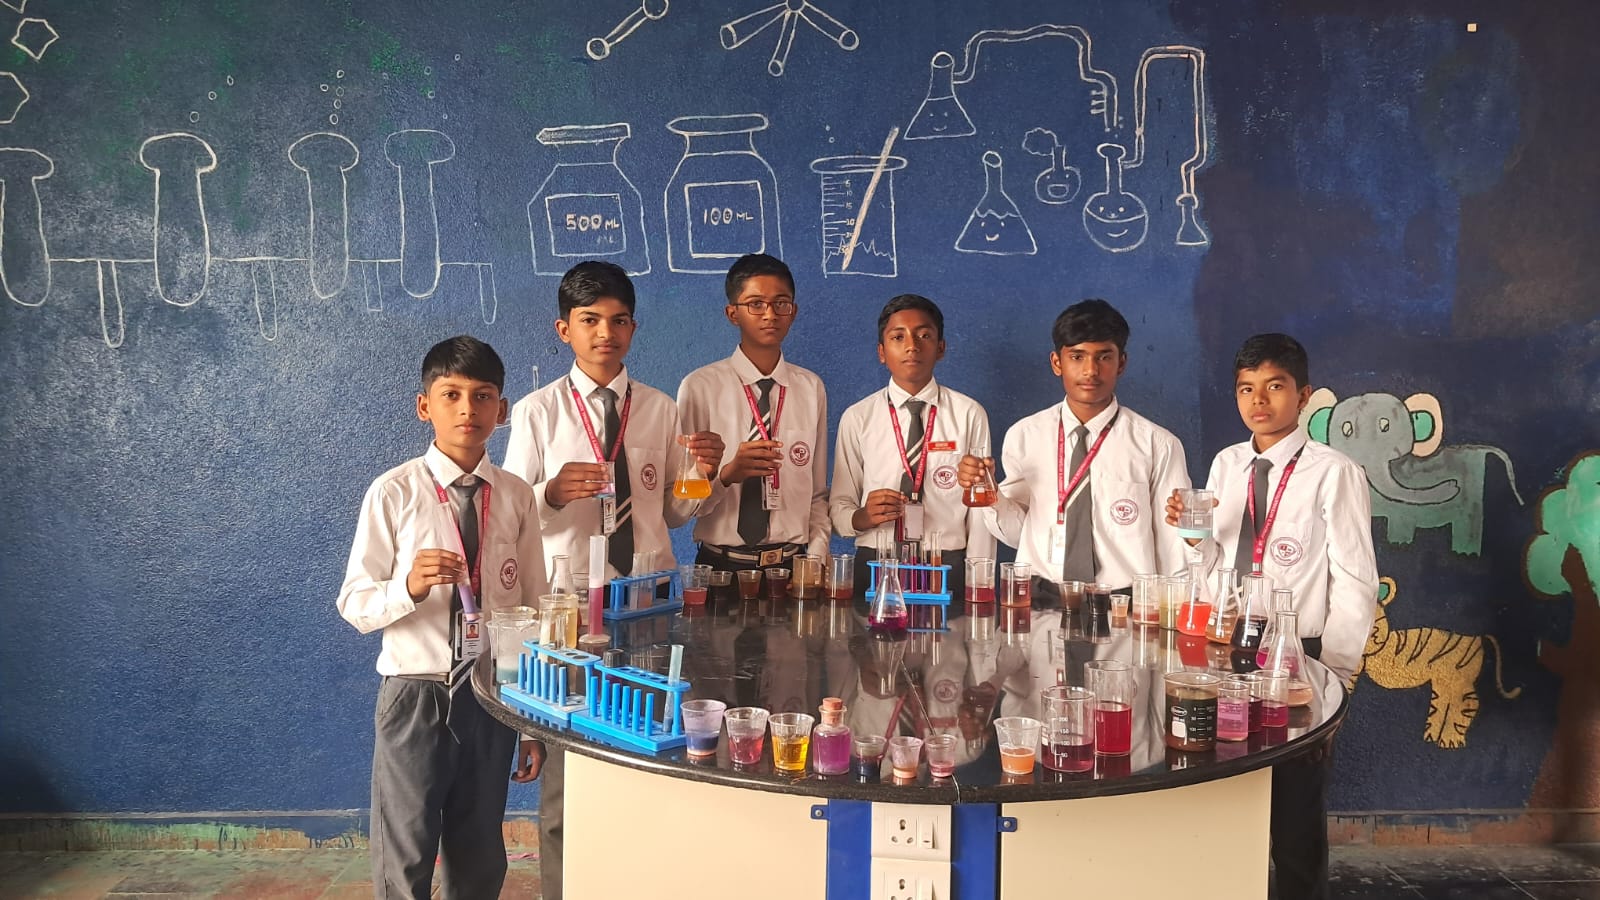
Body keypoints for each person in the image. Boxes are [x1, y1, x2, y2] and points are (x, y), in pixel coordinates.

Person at [502, 260, 724, 900]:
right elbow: (515, 511)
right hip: (569, 604)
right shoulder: (539, 411)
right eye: (590, 321)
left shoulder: (659, 408)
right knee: (568, 750)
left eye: (618, 320)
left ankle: (643, 878)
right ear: (563, 329)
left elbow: (676, 511)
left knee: (651, 734)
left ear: (633, 327)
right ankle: (563, 885)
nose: (606, 333)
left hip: (648, 601)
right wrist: (549, 492)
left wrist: (703, 473)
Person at [1165, 332, 1378, 900]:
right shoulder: (1228, 463)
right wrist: (1192, 535)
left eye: (1275, 386)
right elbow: (1210, 562)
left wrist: (1335, 678)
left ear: (1303, 395)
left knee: (1294, 801)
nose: (1259, 401)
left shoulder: (1334, 472)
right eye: (1246, 389)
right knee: (1216, 781)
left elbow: (1357, 583)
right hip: (1223, 642)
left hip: (1295, 652)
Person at [336, 335, 547, 899]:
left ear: (501, 411)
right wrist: (407, 586)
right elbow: (355, 603)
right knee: (405, 852)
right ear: (424, 405)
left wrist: (529, 719)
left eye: (482, 397)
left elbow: (531, 606)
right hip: (416, 693)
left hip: (491, 694)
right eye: (451, 394)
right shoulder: (394, 492)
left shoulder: (517, 496)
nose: (467, 410)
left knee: (480, 854)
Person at [960, 298, 1191, 596]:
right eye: (1077, 357)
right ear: (1057, 363)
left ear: (1121, 363)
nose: (1090, 370)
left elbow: (1173, 546)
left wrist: (1168, 615)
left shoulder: (1157, 444)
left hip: (1123, 605)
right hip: (1039, 600)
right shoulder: (1025, 435)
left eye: (1104, 357)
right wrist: (991, 495)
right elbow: (1020, 535)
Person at [830, 293, 994, 598]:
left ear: (941, 348)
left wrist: (979, 583)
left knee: (948, 645)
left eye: (924, 335)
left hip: (946, 564)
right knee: (874, 645)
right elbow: (839, 505)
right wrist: (861, 517)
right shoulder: (858, 417)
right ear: (881, 351)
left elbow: (980, 512)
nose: (912, 346)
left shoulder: (969, 413)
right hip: (877, 561)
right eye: (898, 336)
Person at [677, 253, 830, 572]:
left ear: (794, 312)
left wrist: (815, 559)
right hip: (721, 569)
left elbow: (816, 493)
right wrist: (727, 475)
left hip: (793, 568)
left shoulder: (810, 388)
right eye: (756, 304)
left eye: (781, 303)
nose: (770, 314)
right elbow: (683, 503)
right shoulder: (700, 387)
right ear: (733, 313)